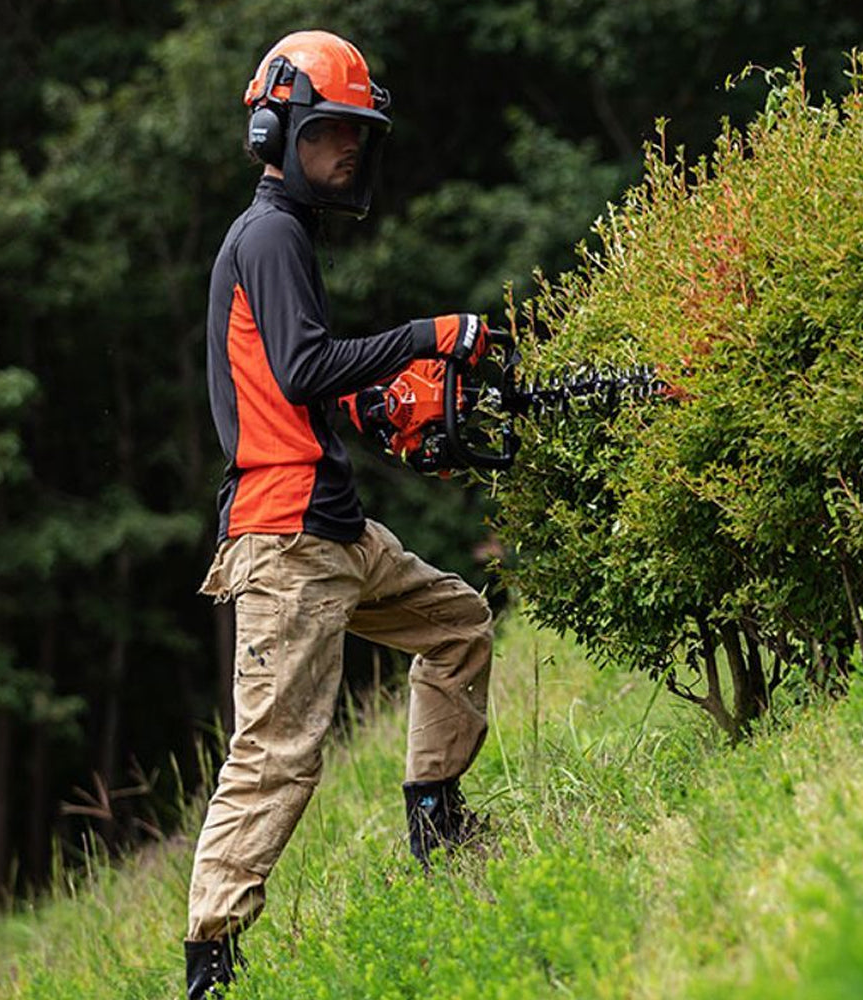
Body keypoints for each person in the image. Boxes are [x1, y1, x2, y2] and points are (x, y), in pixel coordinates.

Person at [184, 30, 494, 999]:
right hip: (286, 544)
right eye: (332, 131)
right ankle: (209, 963)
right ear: (277, 132)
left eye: (358, 133)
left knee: (457, 625)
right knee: (275, 755)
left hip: (336, 531)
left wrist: (378, 409)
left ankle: (435, 819)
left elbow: (300, 386)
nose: (349, 149)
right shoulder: (270, 234)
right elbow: (303, 365)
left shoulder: (288, 236)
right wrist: (425, 337)